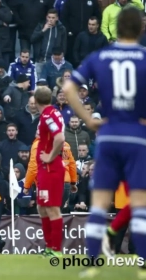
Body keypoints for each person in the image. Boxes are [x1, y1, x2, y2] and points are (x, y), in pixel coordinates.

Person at [62, 7, 146, 278]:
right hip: (136, 136)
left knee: (99, 202)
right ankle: (143, 266)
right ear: (140, 29)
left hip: (108, 135)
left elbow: (68, 88)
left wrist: (88, 118)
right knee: (140, 203)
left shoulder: (101, 56)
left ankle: (91, 265)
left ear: (117, 28)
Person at [23, 86, 65, 258]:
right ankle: (49, 247)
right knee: (41, 207)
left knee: (52, 208)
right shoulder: (51, 113)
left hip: (50, 168)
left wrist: (50, 156)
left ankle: (56, 250)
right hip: (44, 169)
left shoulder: (48, 115)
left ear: (36, 100)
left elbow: (60, 138)